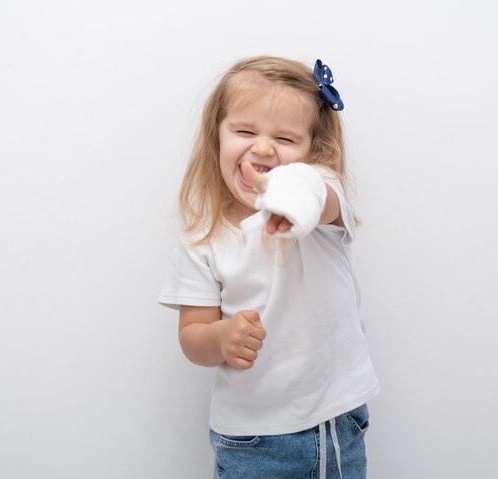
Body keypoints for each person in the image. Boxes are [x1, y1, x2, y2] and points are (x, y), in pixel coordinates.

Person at [159, 55, 379, 479]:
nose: (262, 148)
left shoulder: (321, 204)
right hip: (252, 440)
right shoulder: (202, 238)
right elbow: (191, 336)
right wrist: (221, 338)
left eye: (285, 138)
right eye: (244, 131)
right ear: (217, 138)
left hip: (337, 421)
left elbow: (317, 193)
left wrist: (291, 196)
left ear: (314, 151)